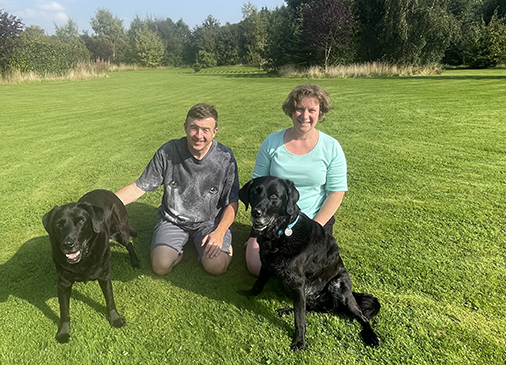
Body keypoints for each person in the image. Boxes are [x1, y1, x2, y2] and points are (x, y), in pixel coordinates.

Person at [116, 103, 239, 276]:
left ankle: (221, 244)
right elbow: (139, 187)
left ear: (214, 132)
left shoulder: (225, 157)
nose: (198, 135)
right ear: (185, 127)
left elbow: (232, 202)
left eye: (205, 130)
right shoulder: (168, 152)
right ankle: (178, 249)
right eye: (194, 128)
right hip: (173, 220)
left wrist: (219, 233)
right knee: (160, 266)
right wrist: (104, 202)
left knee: (216, 266)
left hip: (209, 222)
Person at [246, 84, 347, 276]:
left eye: (312, 110)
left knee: (304, 270)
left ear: (321, 112)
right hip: (272, 217)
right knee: (256, 267)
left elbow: (336, 193)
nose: (304, 115)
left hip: (312, 219)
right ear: (291, 110)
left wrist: (314, 229)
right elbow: (258, 185)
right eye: (299, 109)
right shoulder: (272, 142)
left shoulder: (331, 147)